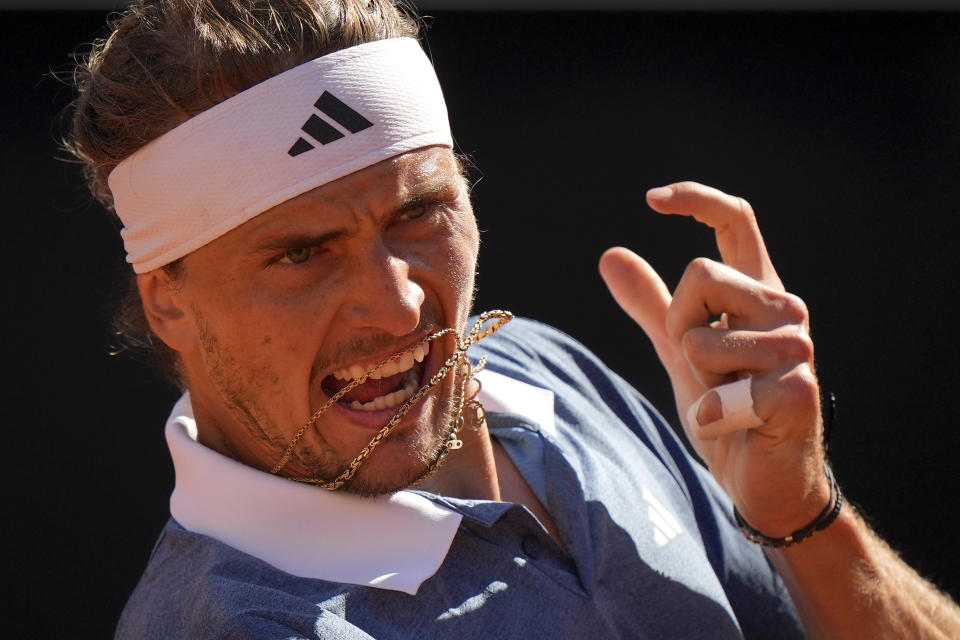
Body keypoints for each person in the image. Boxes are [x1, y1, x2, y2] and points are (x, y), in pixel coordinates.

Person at [66, 1, 960, 638]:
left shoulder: (543, 371)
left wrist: (800, 511)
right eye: (302, 253)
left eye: (418, 214)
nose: (402, 302)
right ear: (167, 301)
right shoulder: (240, 625)